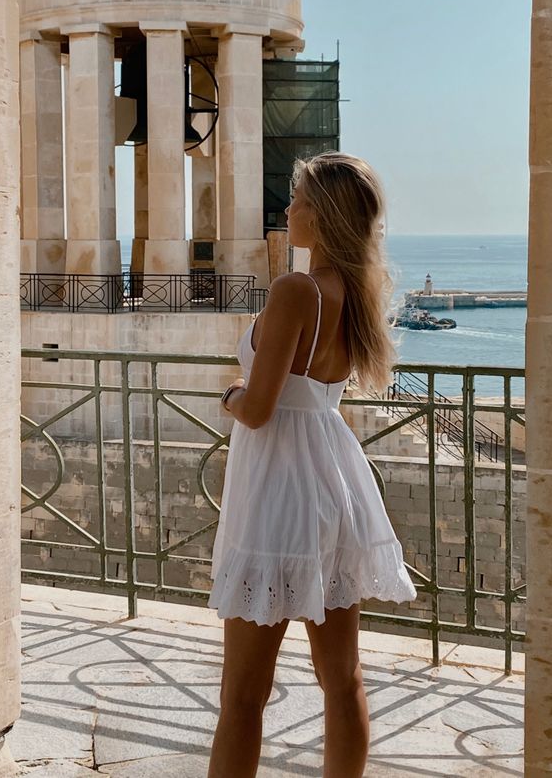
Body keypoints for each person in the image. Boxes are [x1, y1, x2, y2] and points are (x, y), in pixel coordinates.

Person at [206, 151, 417, 778]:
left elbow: (259, 409)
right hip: (334, 479)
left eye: (297, 199)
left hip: (278, 492)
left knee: (242, 695)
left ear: (320, 214)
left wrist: (229, 393)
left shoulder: (296, 290)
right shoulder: (352, 292)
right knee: (342, 679)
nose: (288, 209)